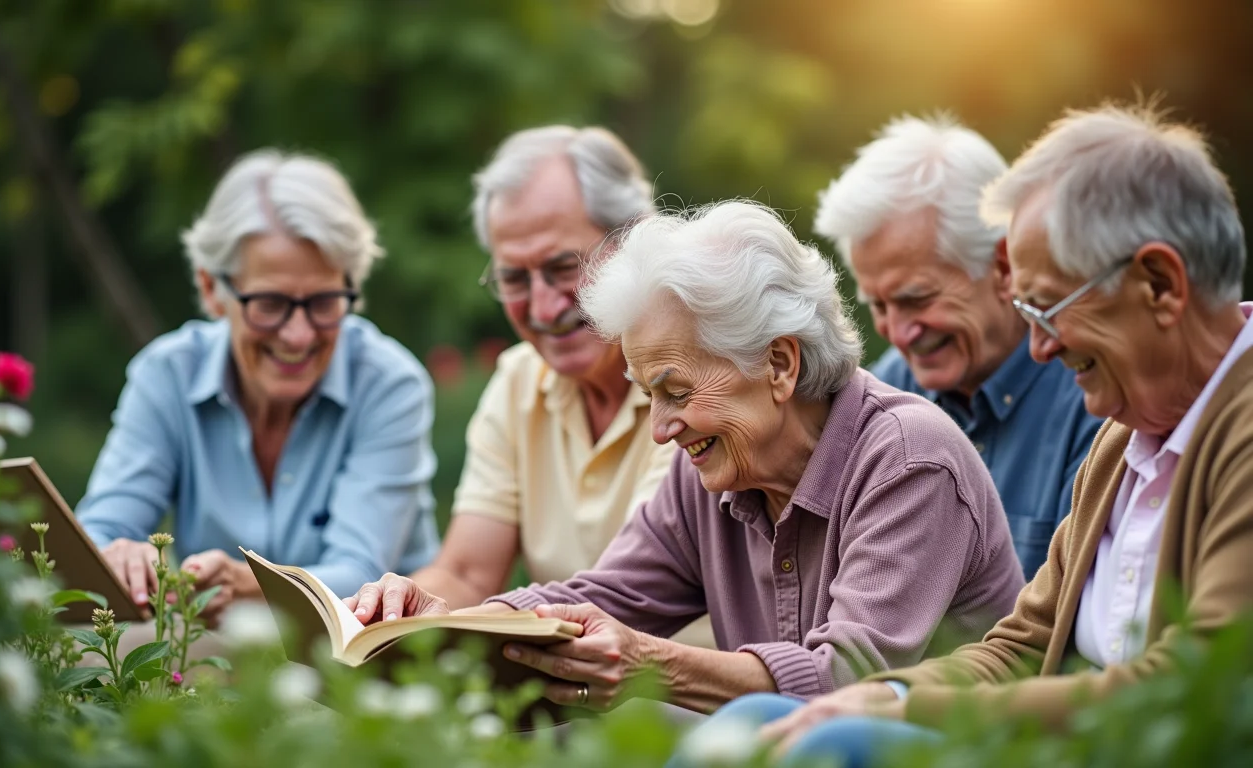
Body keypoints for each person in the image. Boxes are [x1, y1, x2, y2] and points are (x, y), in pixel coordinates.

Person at [691, 103, 1253, 768]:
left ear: (1159, 285)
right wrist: (888, 691)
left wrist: (902, 708)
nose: (1039, 347)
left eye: (1051, 308)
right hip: (1061, 739)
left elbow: (1195, 682)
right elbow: (1022, 642)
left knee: (836, 744)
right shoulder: (1125, 440)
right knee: (761, 718)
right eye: (1028, 312)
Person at [345, 201, 1025, 714]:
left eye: (676, 391)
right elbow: (600, 598)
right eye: (649, 396)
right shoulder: (712, 471)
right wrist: (442, 627)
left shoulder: (908, 459)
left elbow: (853, 681)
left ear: (780, 364)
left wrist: (652, 663)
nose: (662, 429)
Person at [77, 150, 440, 622]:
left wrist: (240, 581)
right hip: (219, 662)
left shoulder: (390, 384)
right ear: (212, 289)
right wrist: (120, 554)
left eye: (324, 302)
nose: (299, 334)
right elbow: (97, 532)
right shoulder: (166, 374)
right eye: (269, 303)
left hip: (369, 660)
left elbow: (360, 570)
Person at [401, 126, 712, 645]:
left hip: (686, 699)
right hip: (570, 687)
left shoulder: (695, 375)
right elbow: (466, 574)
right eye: (515, 280)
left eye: (565, 267)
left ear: (637, 240)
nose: (543, 308)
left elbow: (630, 589)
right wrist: (396, 609)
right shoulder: (520, 380)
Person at [815, 115, 1103, 579]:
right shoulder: (879, 398)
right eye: (878, 305)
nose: (899, 332)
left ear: (1004, 264)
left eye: (916, 298)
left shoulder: (1096, 397)